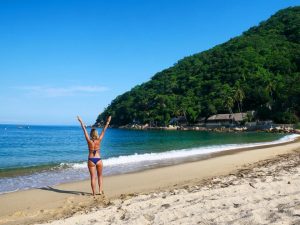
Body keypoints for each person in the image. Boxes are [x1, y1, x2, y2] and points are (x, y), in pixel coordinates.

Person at [77, 115, 111, 196]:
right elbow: (104, 130)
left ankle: (93, 193)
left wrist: (81, 121)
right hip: (98, 159)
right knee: (100, 176)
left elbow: (84, 130)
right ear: (96, 134)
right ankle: (99, 191)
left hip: (91, 160)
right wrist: (108, 122)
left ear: (91, 134)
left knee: (93, 177)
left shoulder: (88, 140)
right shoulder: (99, 140)